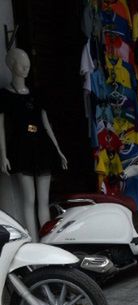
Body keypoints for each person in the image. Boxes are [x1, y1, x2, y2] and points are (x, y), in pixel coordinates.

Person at [0, 48, 68, 240]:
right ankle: (34, 242)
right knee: (29, 200)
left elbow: (46, 124)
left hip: (42, 147)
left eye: (28, 64)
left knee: (44, 201)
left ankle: (47, 242)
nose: (26, 68)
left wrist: (58, 150)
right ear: (12, 65)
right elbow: (1, 128)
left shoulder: (37, 94)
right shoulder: (4, 96)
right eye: (22, 64)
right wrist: (3, 155)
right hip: (21, 150)